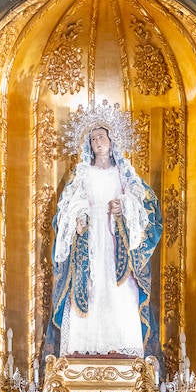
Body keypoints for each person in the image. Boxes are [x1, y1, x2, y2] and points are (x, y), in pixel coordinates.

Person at [43, 100, 162, 362]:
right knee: (92, 286)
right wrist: (79, 216)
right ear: (89, 144)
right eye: (94, 138)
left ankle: (121, 347)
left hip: (115, 238)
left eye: (102, 136)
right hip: (90, 240)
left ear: (111, 141)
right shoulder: (83, 173)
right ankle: (83, 351)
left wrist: (124, 207)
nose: (98, 142)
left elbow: (143, 202)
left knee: (118, 291)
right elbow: (69, 203)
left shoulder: (124, 173)